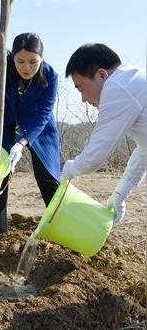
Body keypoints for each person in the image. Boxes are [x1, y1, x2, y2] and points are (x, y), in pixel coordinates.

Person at [0, 33, 60, 234]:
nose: (27, 67)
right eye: (20, 61)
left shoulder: (51, 76)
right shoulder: (4, 68)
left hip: (39, 129)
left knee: (49, 179)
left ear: (41, 59)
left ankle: (61, 228)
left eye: (33, 62)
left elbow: (44, 114)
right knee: (0, 176)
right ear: (12, 58)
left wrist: (23, 142)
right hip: (8, 126)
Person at [61, 43, 147, 223]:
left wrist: (67, 169)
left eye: (80, 88)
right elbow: (144, 150)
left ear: (102, 75)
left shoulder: (117, 86)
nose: (83, 99)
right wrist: (119, 195)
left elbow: (93, 158)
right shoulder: (130, 81)